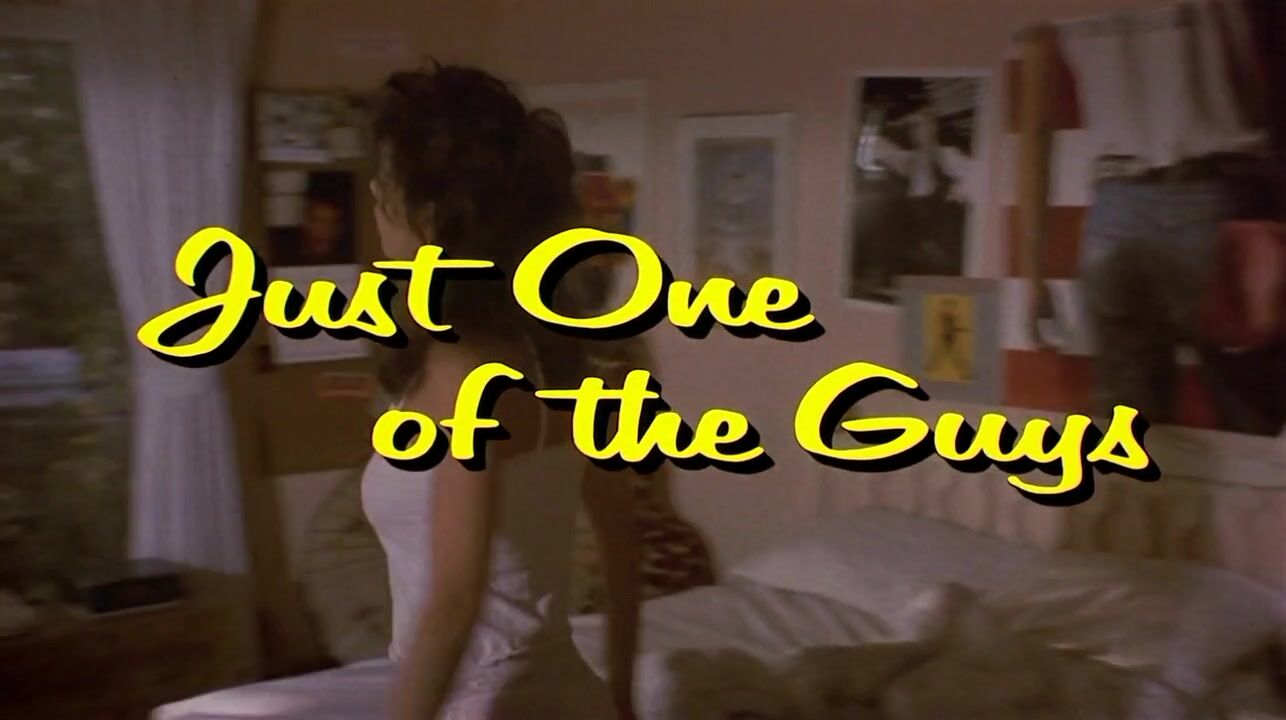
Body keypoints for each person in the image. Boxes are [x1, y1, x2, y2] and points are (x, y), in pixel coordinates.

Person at [360, 65, 641, 720]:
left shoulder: (462, 379)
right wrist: (621, 698)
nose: (374, 195)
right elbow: (625, 548)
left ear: (429, 215)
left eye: (388, 182)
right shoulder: (563, 361)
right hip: (572, 698)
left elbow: (455, 601)